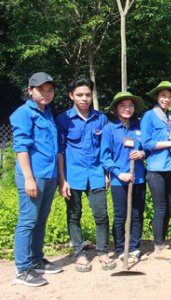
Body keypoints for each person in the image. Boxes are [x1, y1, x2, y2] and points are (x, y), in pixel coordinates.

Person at [56, 77, 116, 272]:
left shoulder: (101, 118)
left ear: (92, 96)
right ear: (71, 96)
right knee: (74, 215)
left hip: (97, 173)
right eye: (79, 95)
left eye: (87, 95)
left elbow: (105, 148)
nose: (84, 98)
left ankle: (102, 252)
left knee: (101, 215)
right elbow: (60, 152)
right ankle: (80, 253)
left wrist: (107, 173)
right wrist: (62, 179)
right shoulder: (63, 119)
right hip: (73, 176)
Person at [10, 72, 63, 287]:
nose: (46, 94)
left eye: (50, 90)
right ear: (30, 90)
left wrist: (59, 177)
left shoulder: (47, 113)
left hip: (48, 175)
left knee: (41, 220)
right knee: (27, 221)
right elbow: (21, 147)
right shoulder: (23, 113)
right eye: (41, 90)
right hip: (33, 176)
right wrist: (29, 179)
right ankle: (22, 270)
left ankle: (36, 260)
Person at [141, 81, 171, 259]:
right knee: (160, 208)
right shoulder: (149, 116)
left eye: (169, 96)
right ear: (157, 97)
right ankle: (158, 246)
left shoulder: (170, 117)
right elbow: (147, 143)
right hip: (156, 169)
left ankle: (163, 242)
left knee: (167, 207)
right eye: (163, 96)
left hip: (170, 168)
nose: (166, 99)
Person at [100, 91, 146, 262]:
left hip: (139, 178)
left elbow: (147, 148)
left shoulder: (138, 128)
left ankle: (134, 247)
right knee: (121, 215)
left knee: (137, 214)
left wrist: (142, 153)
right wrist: (120, 173)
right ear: (116, 108)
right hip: (120, 181)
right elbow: (105, 157)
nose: (127, 108)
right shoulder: (109, 129)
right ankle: (121, 249)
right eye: (123, 105)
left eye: (130, 105)